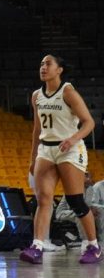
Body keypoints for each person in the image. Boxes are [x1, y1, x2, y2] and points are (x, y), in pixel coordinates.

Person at [20, 55, 100, 264]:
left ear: (59, 70)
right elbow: (37, 129)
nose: (43, 67)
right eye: (41, 64)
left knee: (75, 201)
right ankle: (37, 245)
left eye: (48, 64)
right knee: (43, 200)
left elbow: (89, 122)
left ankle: (93, 245)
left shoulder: (68, 92)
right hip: (46, 149)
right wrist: (32, 156)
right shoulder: (37, 95)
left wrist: (72, 139)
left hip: (70, 149)